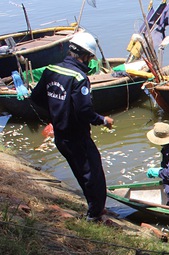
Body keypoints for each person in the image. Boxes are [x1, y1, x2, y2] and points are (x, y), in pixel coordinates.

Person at [31, 31, 114, 222]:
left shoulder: (52, 69)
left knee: (81, 172)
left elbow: (36, 97)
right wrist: (102, 120)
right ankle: (94, 215)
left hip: (61, 136)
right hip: (77, 137)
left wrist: (56, 111)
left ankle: (94, 209)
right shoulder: (78, 78)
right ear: (85, 56)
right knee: (94, 176)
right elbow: (85, 111)